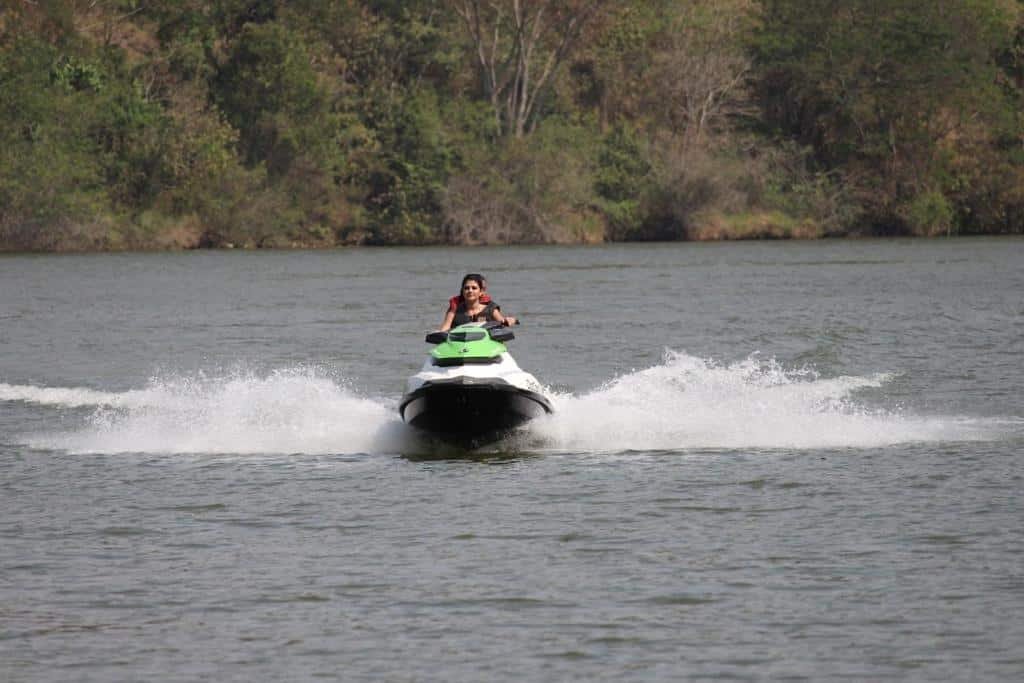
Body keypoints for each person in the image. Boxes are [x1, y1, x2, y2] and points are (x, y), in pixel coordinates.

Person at [439, 273, 517, 331]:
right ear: (462, 291)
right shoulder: (454, 310)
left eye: (474, 288)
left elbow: (503, 322)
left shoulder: (491, 309)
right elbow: (444, 329)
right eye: (466, 288)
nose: (470, 291)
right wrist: (437, 335)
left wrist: (511, 320)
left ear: (481, 292)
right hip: (460, 346)